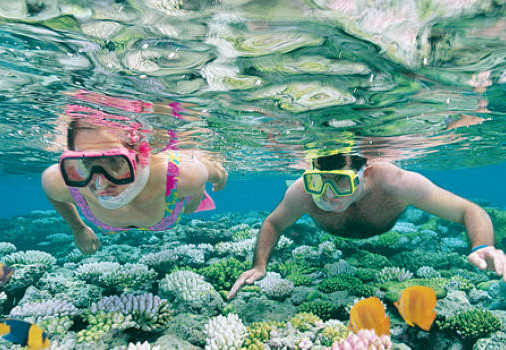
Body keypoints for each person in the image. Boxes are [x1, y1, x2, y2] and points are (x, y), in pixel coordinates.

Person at [228, 152, 506, 299]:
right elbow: (273, 223)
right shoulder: (302, 192)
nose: (327, 194)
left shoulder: (397, 184)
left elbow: (469, 209)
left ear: (364, 174)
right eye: (318, 181)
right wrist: (259, 265)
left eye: (340, 181)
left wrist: (482, 245)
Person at [41, 117, 227, 254]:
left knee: (190, 208)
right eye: (85, 163)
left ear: (139, 156)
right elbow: (52, 195)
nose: (100, 182)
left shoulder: (185, 176)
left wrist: (217, 174)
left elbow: (212, 173)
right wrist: (78, 228)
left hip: (179, 192)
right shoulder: (61, 180)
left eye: (114, 162)